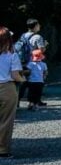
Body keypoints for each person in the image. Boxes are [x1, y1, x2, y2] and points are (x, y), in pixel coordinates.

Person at [0, 27, 26, 158]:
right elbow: (15, 75)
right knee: (6, 120)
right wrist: (23, 80)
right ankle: (3, 150)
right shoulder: (12, 56)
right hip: (6, 88)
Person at [15, 19, 45, 105]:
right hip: (34, 62)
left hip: (23, 61)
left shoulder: (23, 35)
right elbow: (41, 50)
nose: (40, 26)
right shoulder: (38, 37)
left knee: (23, 82)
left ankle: (17, 101)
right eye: (38, 25)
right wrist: (45, 45)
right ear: (35, 26)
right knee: (36, 82)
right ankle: (35, 101)